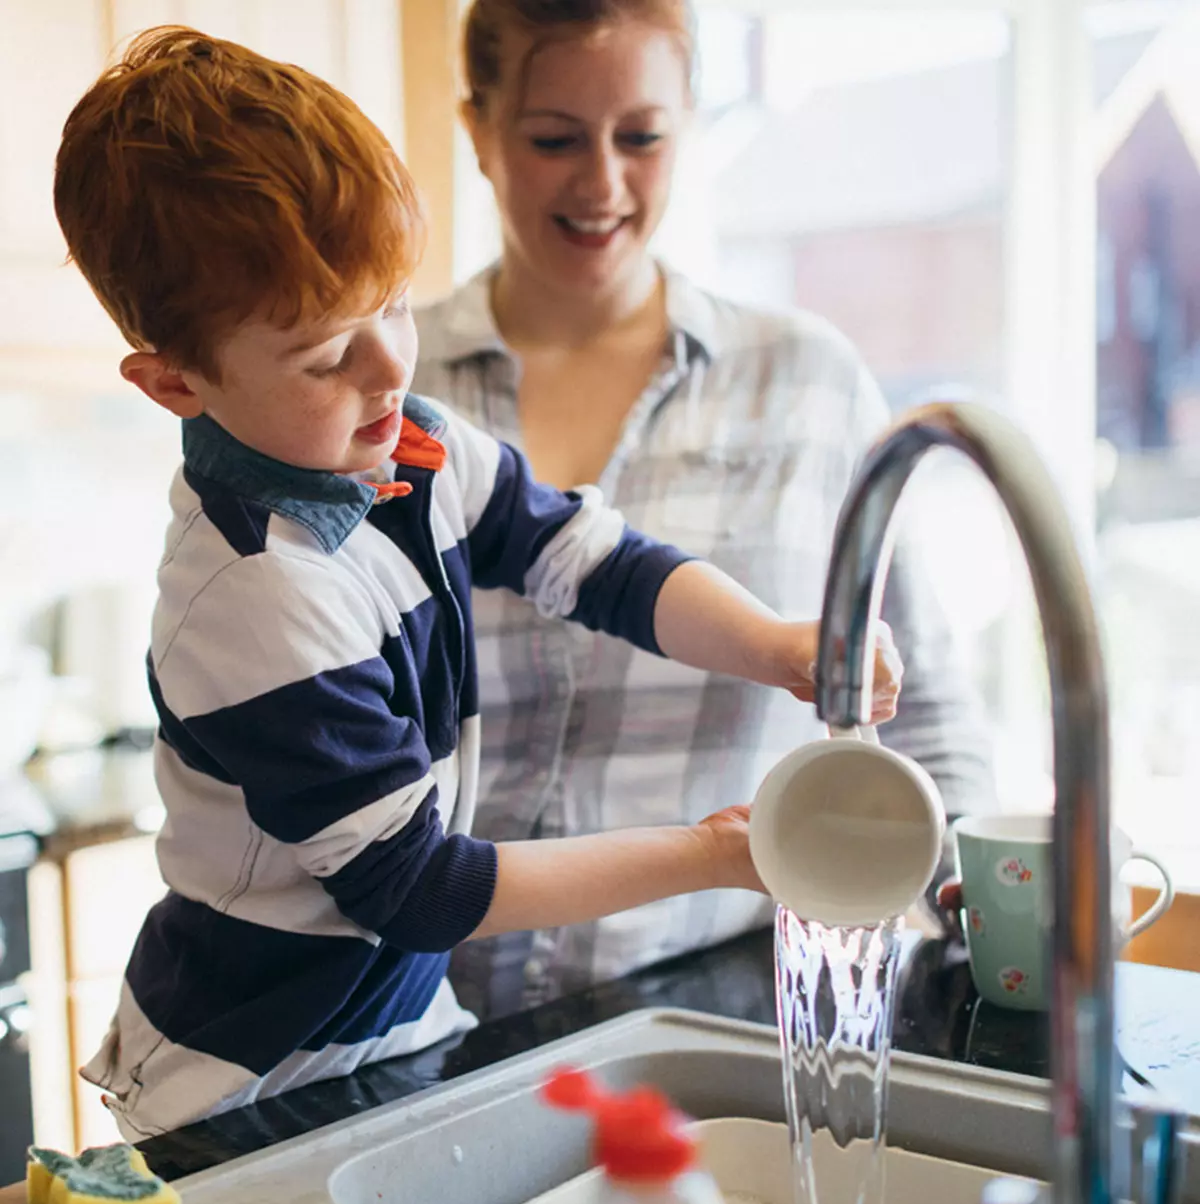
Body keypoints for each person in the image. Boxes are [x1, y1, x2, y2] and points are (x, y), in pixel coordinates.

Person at [53, 26, 901, 1140]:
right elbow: (423, 890)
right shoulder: (255, 599)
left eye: (394, 306)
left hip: (394, 1043)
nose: (389, 367)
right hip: (248, 1084)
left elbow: (598, 563)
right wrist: (712, 857)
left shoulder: (405, 446)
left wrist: (779, 645)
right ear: (173, 382)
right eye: (324, 354)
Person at [412, 0, 997, 1017]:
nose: (601, 185)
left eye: (641, 137)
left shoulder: (809, 383)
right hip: (423, 1021)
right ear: (479, 131)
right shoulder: (387, 391)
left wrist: (981, 920)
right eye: (553, 138)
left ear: (690, 123)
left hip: (728, 1004)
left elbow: (928, 719)